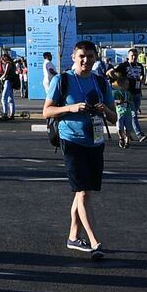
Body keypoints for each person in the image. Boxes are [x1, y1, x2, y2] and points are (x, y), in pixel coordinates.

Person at [44, 40, 117, 261]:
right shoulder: (62, 80)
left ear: (96, 58)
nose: (86, 60)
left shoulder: (100, 83)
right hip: (71, 141)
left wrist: (104, 109)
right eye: (82, 56)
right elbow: (46, 111)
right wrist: (71, 108)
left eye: (90, 56)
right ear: (74, 58)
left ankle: (73, 237)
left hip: (95, 142)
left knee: (82, 191)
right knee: (83, 192)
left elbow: (114, 118)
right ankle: (95, 242)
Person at [112, 49, 147, 142]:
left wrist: (142, 79)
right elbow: (110, 72)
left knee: (131, 114)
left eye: (135, 55)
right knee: (133, 114)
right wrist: (119, 80)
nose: (134, 57)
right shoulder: (124, 65)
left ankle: (128, 132)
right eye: (132, 55)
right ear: (128, 56)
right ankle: (139, 134)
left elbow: (142, 78)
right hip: (127, 93)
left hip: (137, 92)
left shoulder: (140, 66)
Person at [0, 51, 20, 119]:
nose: (2, 60)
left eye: (3, 58)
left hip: (8, 81)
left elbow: (6, 73)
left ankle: (5, 113)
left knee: (4, 98)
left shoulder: (8, 64)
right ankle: (12, 114)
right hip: (11, 82)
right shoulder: (12, 64)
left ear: (6, 57)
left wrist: (0, 79)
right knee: (10, 98)